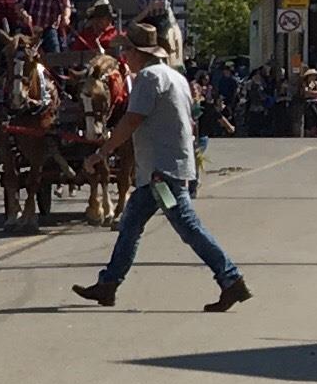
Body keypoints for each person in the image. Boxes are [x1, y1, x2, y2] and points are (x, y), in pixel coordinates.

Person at [70, 28, 253, 312]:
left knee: (187, 226)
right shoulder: (175, 77)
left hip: (160, 175)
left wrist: (101, 153)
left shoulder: (148, 77)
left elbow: (132, 120)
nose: (123, 57)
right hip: (163, 171)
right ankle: (108, 284)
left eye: (126, 51)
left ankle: (231, 279)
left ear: (138, 53)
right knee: (130, 225)